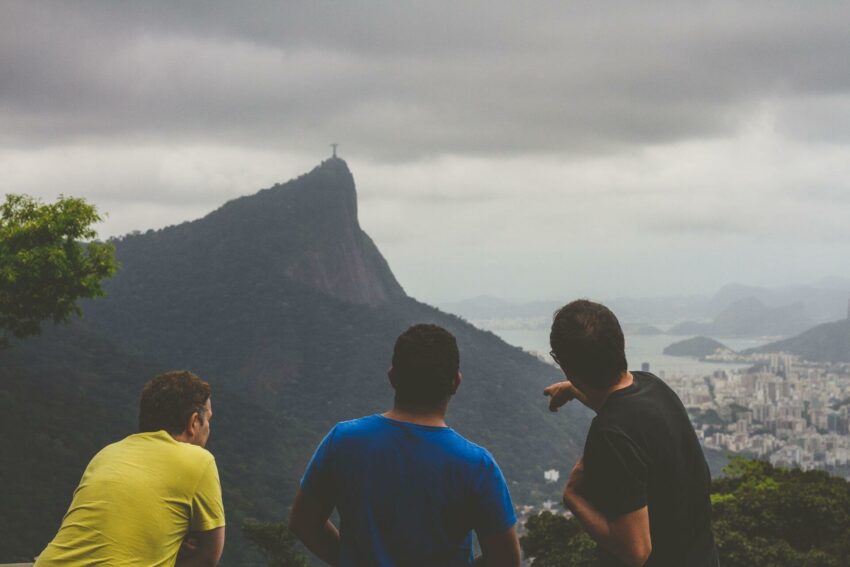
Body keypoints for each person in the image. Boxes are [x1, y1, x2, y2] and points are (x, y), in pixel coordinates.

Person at [289, 324, 521, 567]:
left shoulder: (344, 440)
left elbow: (303, 522)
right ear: (456, 383)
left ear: (392, 377)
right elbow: (506, 560)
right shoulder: (477, 465)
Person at [544, 300, 718, 567]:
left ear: (565, 364)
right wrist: (573, 389)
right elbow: (620, 405)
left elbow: (636, 552)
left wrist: (572, 496)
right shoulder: (653, 386)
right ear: (619, 344)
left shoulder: (611, 436)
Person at [35, 370, 225, 566]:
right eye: (208, 419)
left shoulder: (107, 453)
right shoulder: (199, 460)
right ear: (194, 422)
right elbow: (209, 556)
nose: (208, 428)